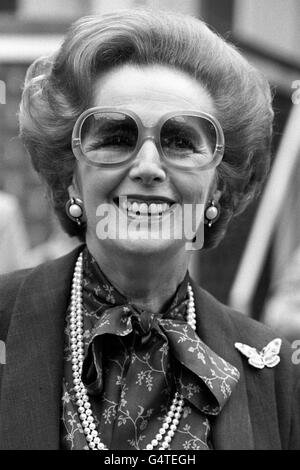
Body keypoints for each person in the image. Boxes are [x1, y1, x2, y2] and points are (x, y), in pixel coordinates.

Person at [0, 10, 299, 450]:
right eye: (116, 137)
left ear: (218, 186)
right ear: (70, 176)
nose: (147, 167)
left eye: (180, 141)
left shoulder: (274, 373)